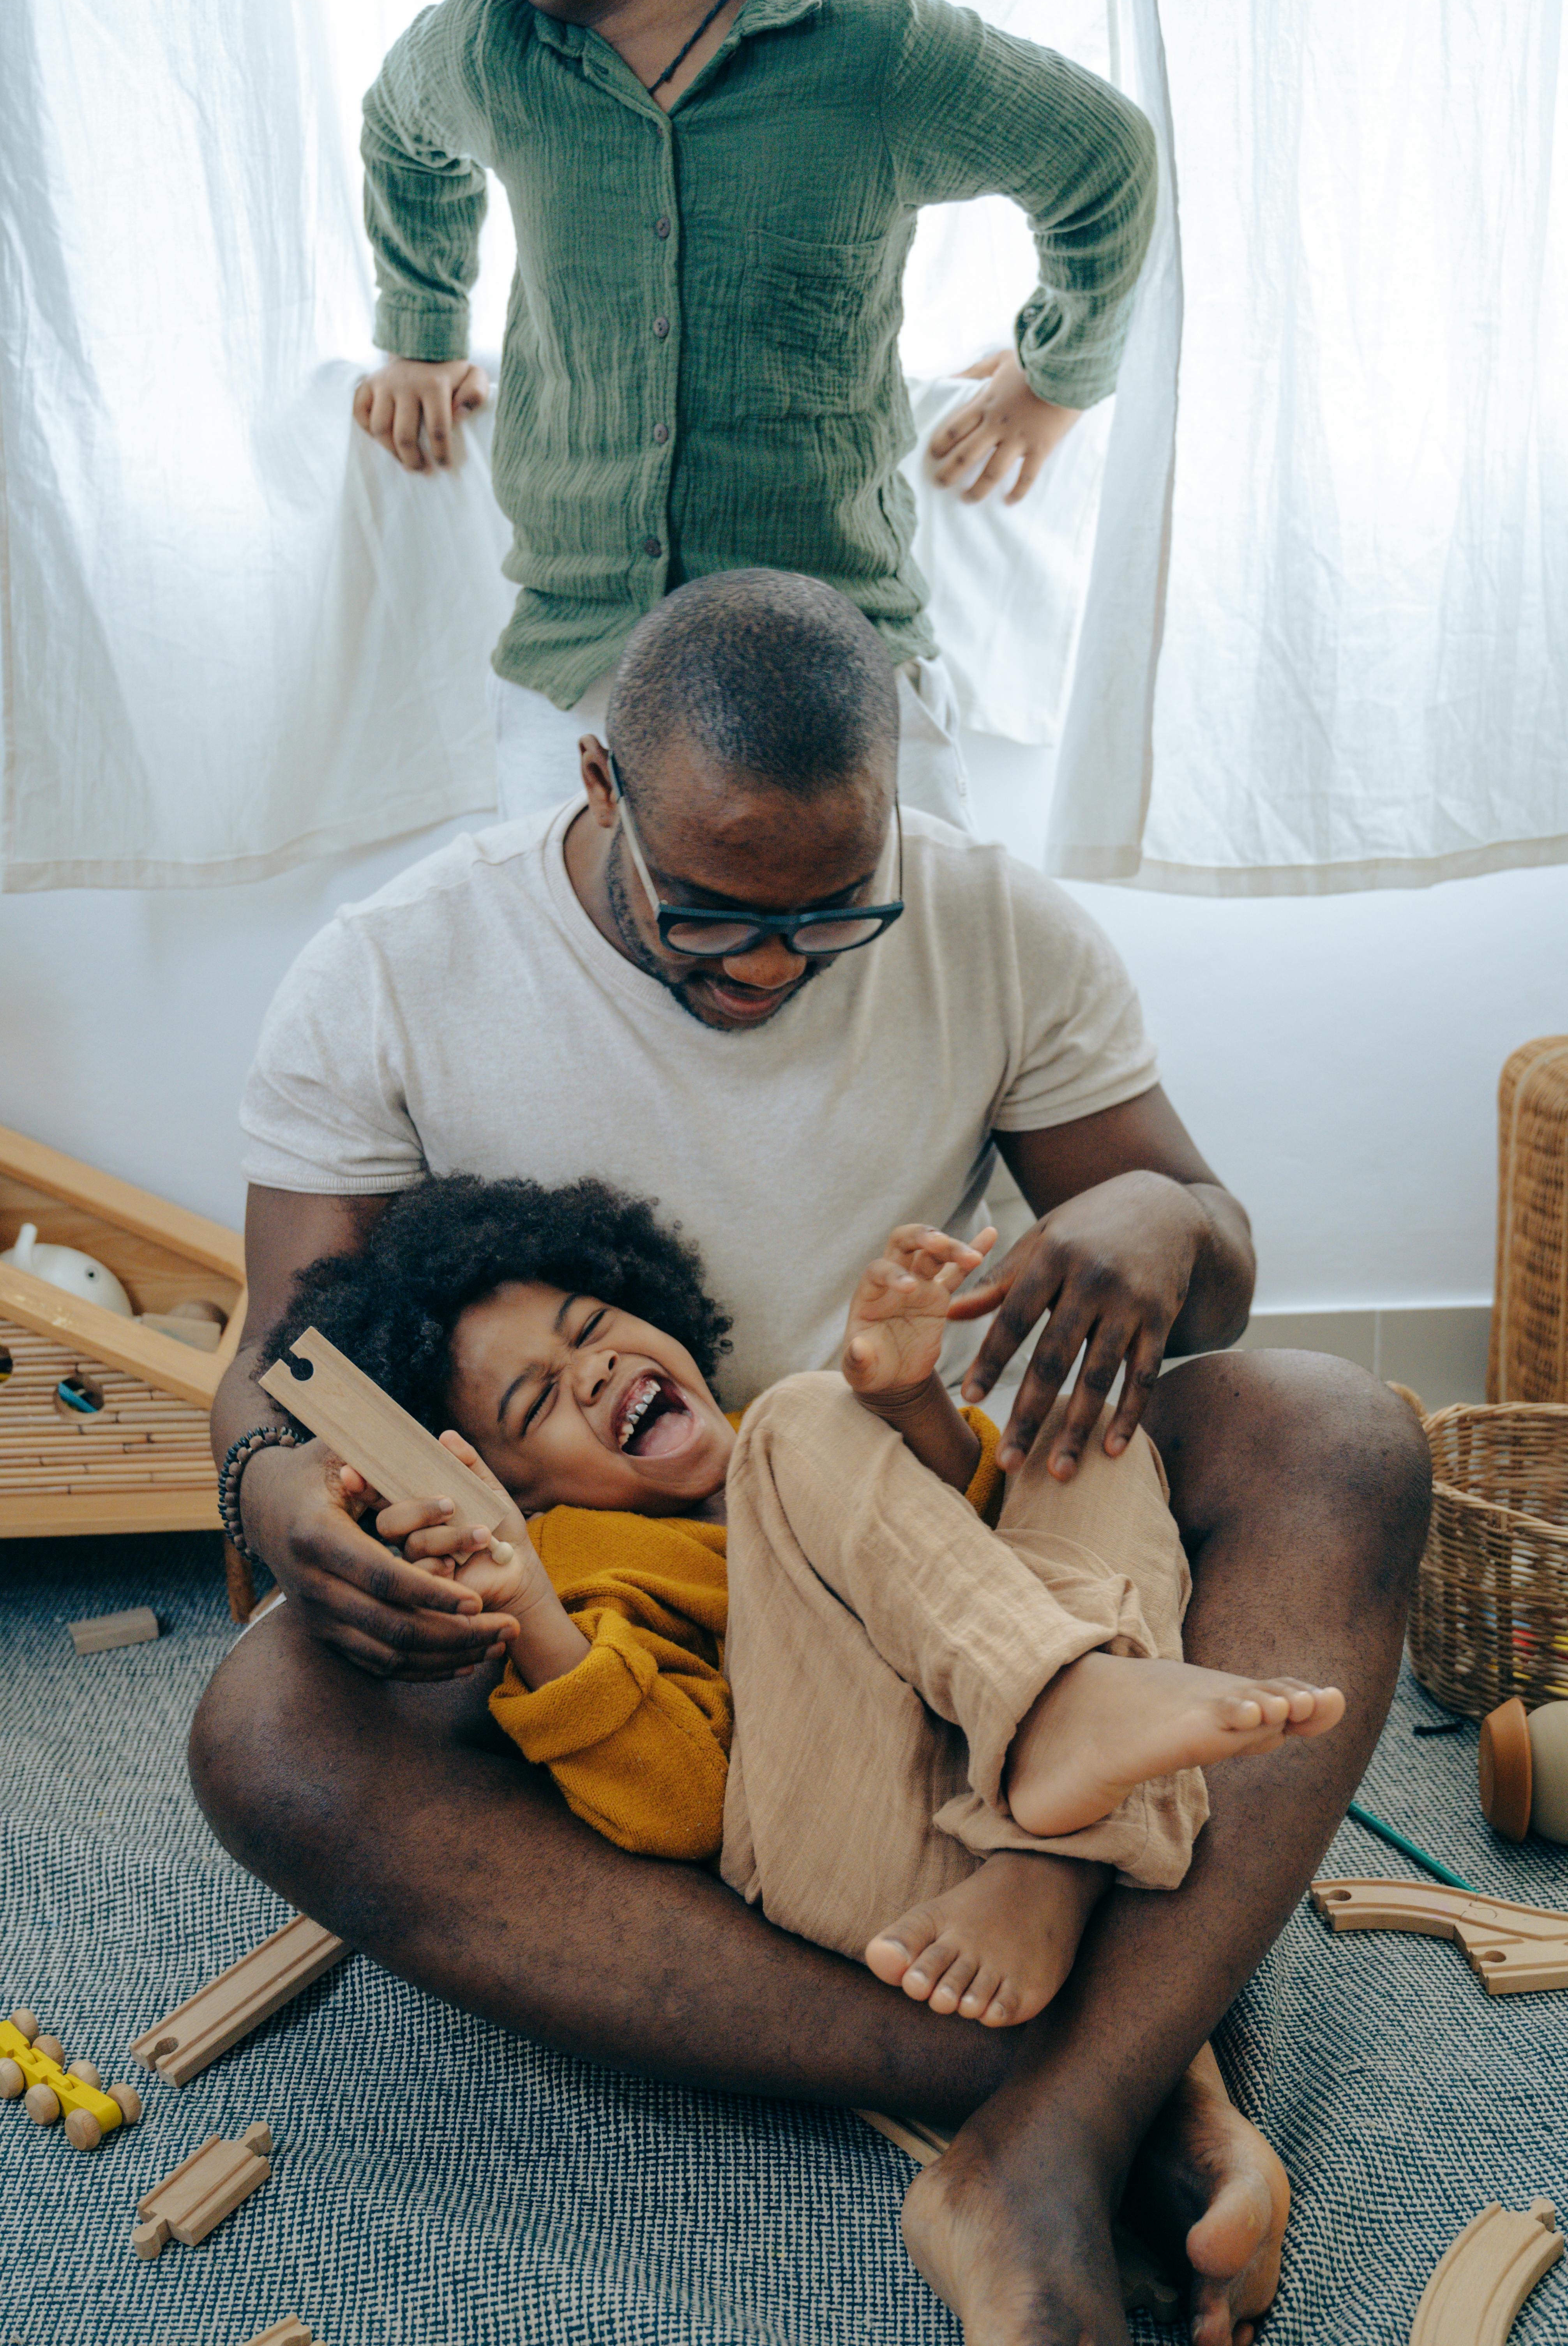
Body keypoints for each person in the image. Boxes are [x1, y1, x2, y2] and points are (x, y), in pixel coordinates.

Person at [192, 571, 1431, 2346]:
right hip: (679, 1604)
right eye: (707, 918)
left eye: (829, 918)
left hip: (940, 1499)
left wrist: (1163, 1221)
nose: (769, 964)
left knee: (1338, 1432)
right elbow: (279, 1366)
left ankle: (1047, 2129)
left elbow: (1210, 1255)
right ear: (597, 787)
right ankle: (1117, 2067)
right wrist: (278, 1491)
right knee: (266, 1738)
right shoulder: (391, 973)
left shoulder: (998, 925)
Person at [258, 1174, 1346, 2030]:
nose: (587, 1372)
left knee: (1079, 1439)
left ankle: (1053, 1852)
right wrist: (536, 1613)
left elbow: (992, 1549)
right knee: (794, 1417)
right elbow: (683, 1812)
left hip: (991, 1794)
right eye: (538, 1399)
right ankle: (1064, 1733)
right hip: (850, 1844)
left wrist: (909, 1397)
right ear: (520, 1486)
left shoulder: (821, 1434)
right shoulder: (579, 1559)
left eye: (593, 1329)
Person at [351, 0, 1157, 826]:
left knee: (893, 942)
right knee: (575, 950)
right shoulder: (488, 46)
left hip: (839, 651)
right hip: (579, 659)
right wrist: (421, 332)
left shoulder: (875, 47)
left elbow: (1104, 159)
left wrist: (1054, 381)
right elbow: (400, 135)